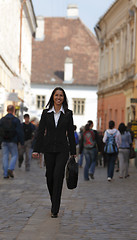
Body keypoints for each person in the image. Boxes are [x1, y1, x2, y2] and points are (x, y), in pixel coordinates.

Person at [32, 87, 76, 218]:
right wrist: (36, 149)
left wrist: (73, 151)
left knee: (58, 176)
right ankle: (54, 200)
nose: (58, 97)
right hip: (49, 149)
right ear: (53, 97)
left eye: (61, 95)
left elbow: (71, 134)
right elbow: (40, 133)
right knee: (49, 176)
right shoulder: (46, 113)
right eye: (56, 95)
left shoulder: (68, 113)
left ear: (64, 98)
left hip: (63, 149)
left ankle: (55, 208)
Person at [0, 105, 24, 178]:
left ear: (7, 110)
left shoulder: (2, 119)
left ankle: (5, 174)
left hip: (4, 140)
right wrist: (21, 142)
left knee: (5, 156)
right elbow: (19, 132)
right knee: (14, 155)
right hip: (13, 141)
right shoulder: (16, 120)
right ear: (13, 110)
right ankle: (10, 168)